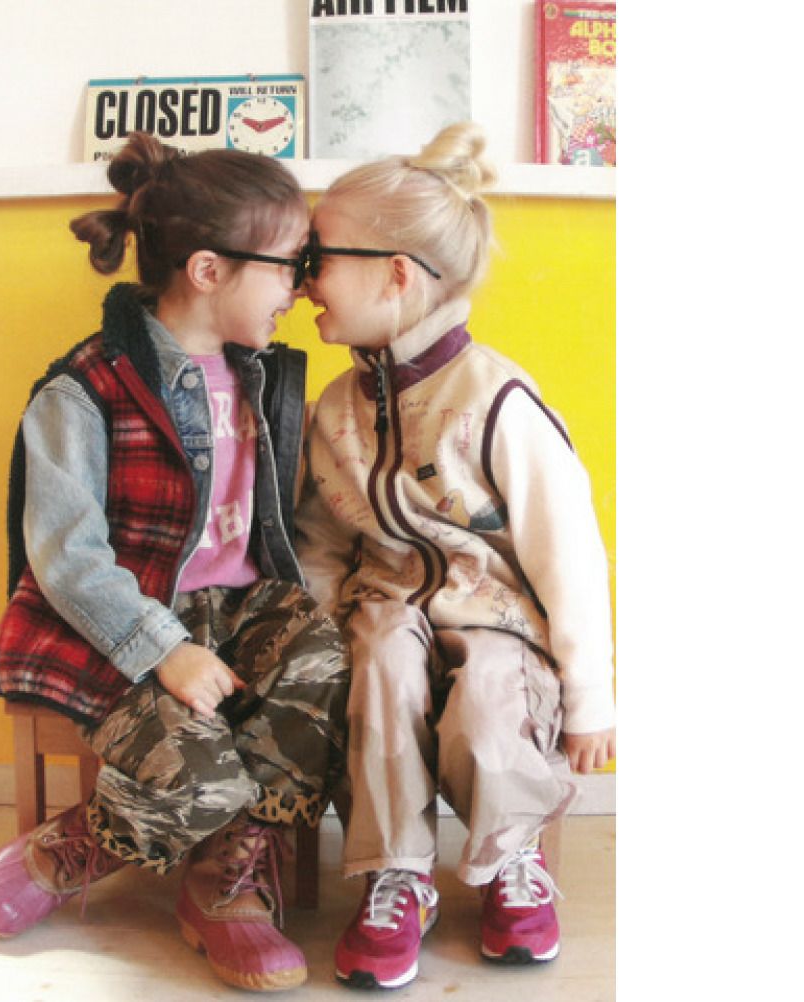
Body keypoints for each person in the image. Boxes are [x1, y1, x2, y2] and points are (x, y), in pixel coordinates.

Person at [0, 131, 348, 993]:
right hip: (123, 620)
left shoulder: (270, 379)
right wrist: (165, 650)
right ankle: (67, 849)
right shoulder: (84, 389)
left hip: (241, 611)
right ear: (208, 270)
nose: (301, 289)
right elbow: (67, 559)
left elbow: (281, 527)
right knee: (203, 774)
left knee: (328, 667)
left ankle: (224, 882)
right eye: (291, 266)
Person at [293, 121, 616, 990]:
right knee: (380, 658)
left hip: (497, 617)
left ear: (396, 274)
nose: (303, 278)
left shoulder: (496, 398)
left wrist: (590, 697)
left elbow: (568, 555)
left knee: (488, 690)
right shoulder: (335, 408)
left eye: (318, 257)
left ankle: (512, 855)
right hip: (386, 608)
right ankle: (395, 872)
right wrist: (308, 646)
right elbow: (321, 541)